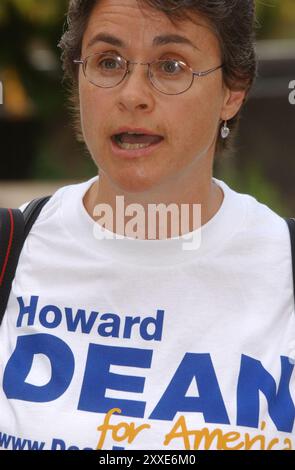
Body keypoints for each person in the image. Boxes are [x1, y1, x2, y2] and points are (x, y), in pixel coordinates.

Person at [0, 0, 294, 451]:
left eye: (171, 66)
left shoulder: (283, 267)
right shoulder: (12, 252)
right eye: (108, 61)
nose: (132, 94)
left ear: (232, 92)